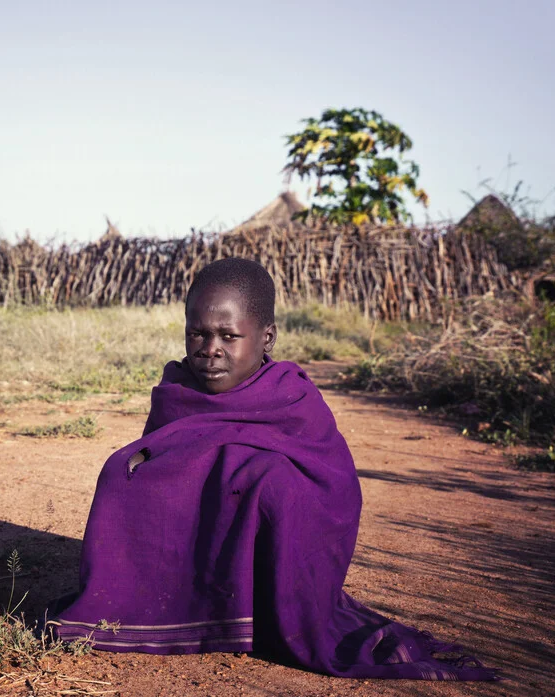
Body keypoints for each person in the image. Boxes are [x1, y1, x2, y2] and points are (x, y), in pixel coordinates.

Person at [47, 258, 497, 680]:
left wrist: (241, 471)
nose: (210, 350)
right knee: (119, 472)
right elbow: (165, 454)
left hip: (279, 549)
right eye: (197, 334)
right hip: (207, 536)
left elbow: (332, 488)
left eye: (228, 336)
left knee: (271, 482)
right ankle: (166, 602)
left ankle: (262, 605)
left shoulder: (292, 399)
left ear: (267, 337)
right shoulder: (177, 390)